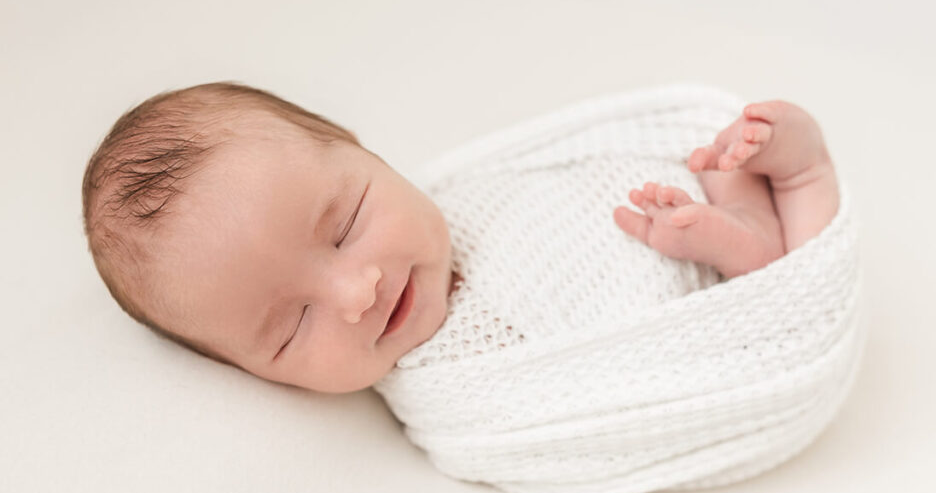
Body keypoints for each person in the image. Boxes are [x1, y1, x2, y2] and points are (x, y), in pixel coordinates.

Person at [81, 82, 839, 394]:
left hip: (661, 194)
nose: (355, 293)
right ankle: (796, 192)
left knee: (718, 164)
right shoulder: (452, 390)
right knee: (793, 282)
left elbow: (573, 169)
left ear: (367, 154)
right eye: (291, 327)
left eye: (345, 225)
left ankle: (758, 194)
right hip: (717, 319)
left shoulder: (465, 194)